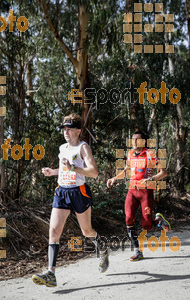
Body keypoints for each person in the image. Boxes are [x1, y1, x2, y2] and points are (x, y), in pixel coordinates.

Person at [32, 113, 109, 287]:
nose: (66, 132)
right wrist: (53, 171)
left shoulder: (83, 148)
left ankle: (103, 248)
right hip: (62, 192)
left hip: (79, 192)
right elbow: (64, 169)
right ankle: (51, 273)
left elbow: (94, 173)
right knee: (54, 231)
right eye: (64, 129)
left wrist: (73, 167)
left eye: (69, 128)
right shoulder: (62, 148)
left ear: (78, 131)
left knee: (87, 231)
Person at [107, 131, 170, 261]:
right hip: (132, 191)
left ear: (144, 141)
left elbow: (163, 173)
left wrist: (151, 178)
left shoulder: (150, 154)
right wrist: (114, 178)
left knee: (146, 225)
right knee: (128, 219)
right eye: (132, 139)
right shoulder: (130, 154)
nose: (134, 142)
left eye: (137, 139)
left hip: (146, 191)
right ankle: (137, 251)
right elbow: (126, 171)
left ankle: (158, 220)